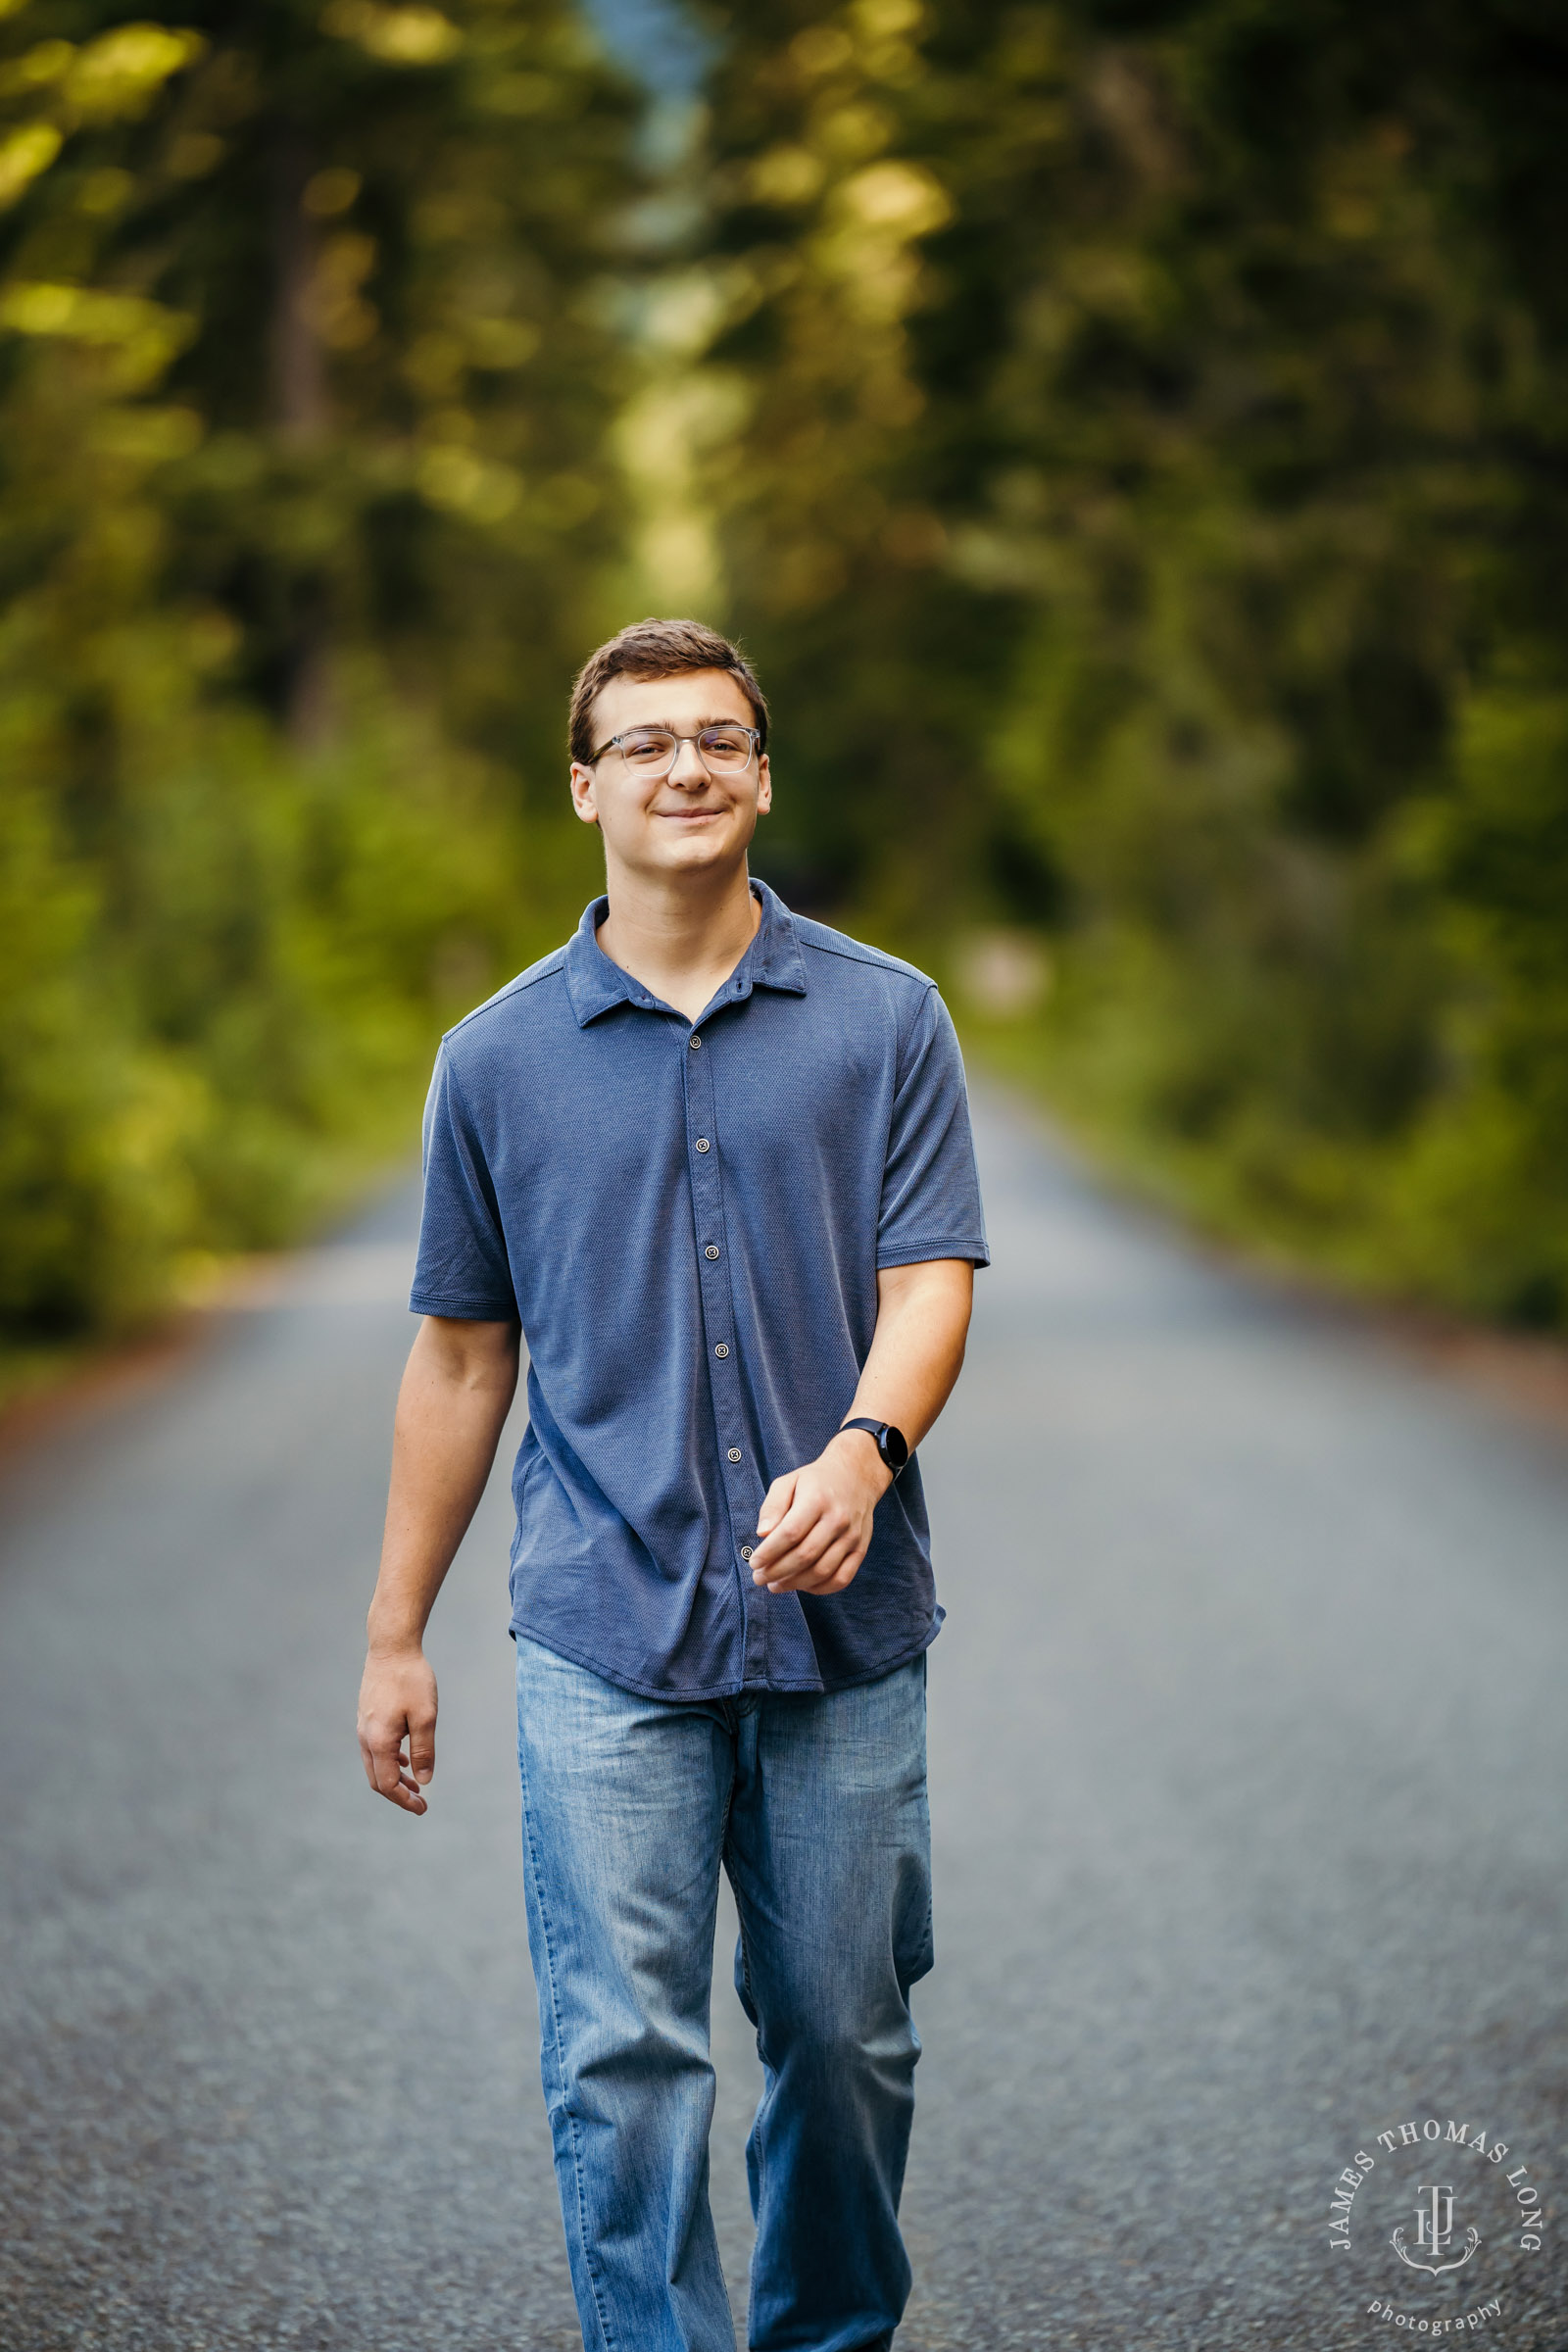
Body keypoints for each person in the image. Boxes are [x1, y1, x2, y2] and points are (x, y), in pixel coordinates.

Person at [356, 616, 988, 2352]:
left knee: (846, 2046)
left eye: (718, 739)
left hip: (844, 1637)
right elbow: (464, 1360)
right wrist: (396, 1633)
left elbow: (930, 1279)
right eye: (645, 745)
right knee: (624, 2059)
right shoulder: (495, 1060)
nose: (686, 767)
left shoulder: (886, 1020)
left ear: (764, 776)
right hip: (599, 1637)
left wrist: (866, 1453)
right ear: (585, 789)